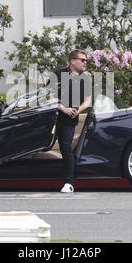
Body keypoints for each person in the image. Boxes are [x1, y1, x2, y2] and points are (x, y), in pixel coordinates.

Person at [54, 49, 92, 193]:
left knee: (65, 147)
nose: (85, 63)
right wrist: (63, 108)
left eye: (86, 60)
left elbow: (88, 101)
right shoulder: (57, 75)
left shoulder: (85, 79)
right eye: (82, 60)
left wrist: (77, 110)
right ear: (72, 61)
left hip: (69, 119)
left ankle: (68, 183)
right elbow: (48, 97)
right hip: (52, 116)